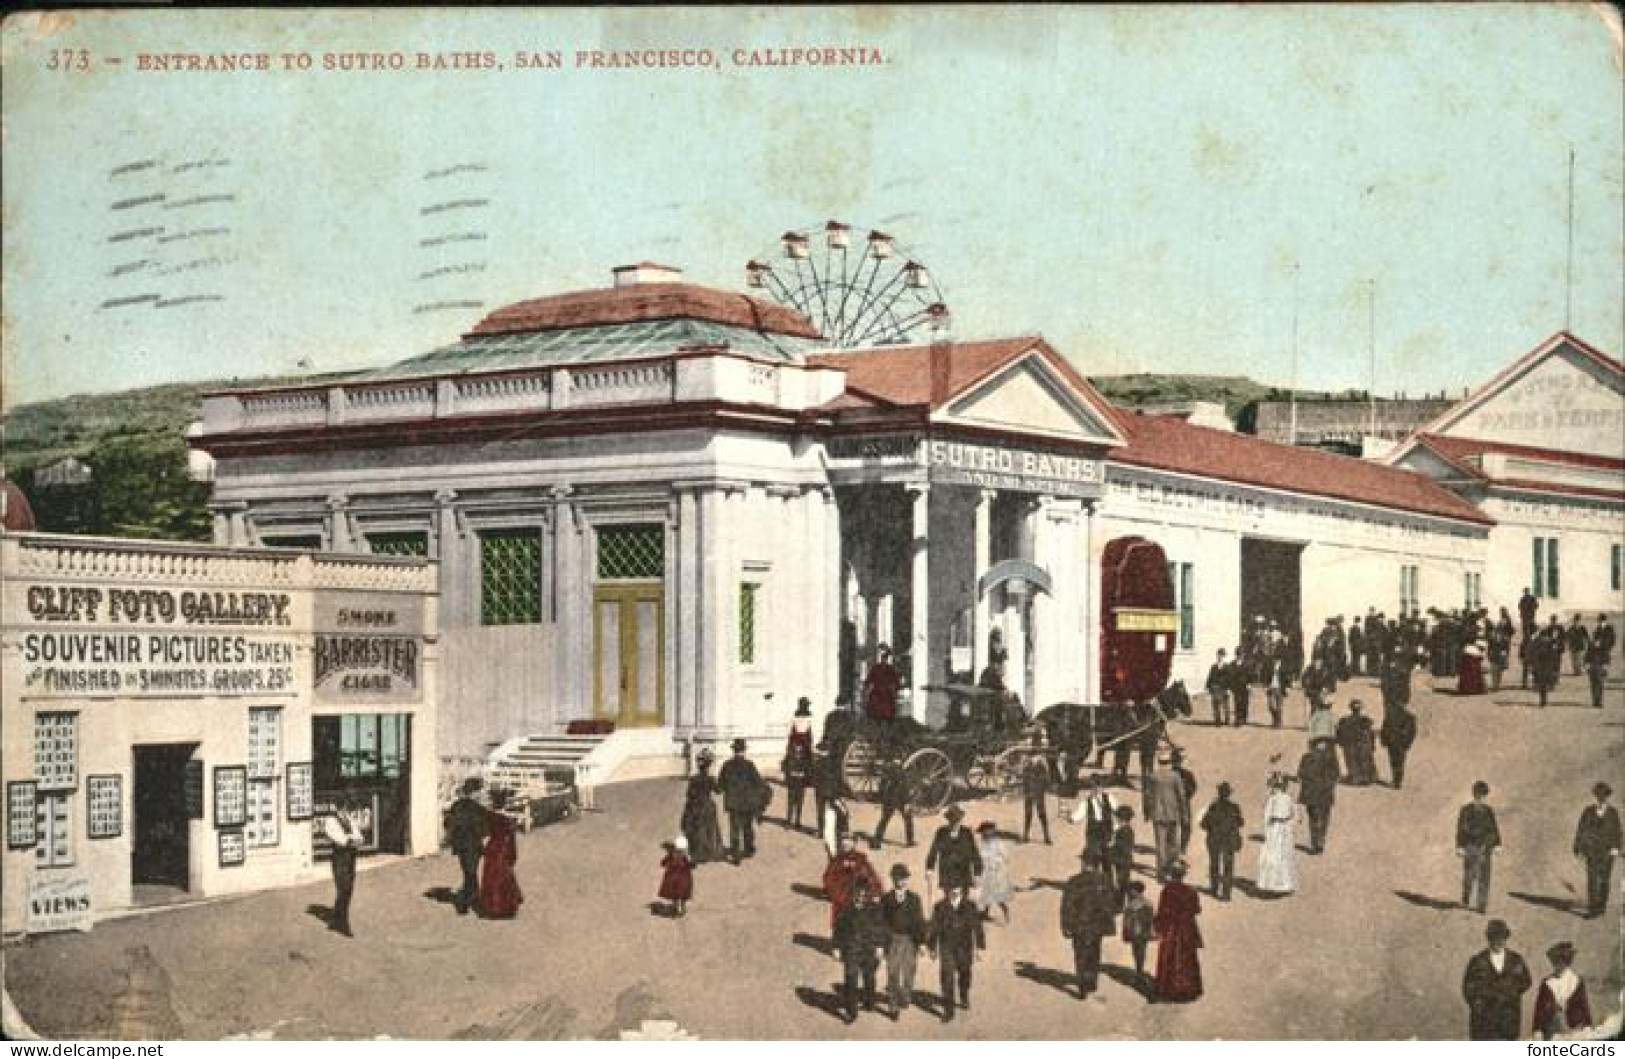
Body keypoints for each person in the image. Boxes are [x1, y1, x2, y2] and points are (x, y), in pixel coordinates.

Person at [1059, 855, 1117, 1000]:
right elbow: (1109, 903)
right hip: (1097, 926)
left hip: (1079, 925)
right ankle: (1091, 981)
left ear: (1084, 864)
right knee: (1094, 952)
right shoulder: (1104, 880)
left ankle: (1082, 985)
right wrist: (1108, 923)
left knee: (1080, 954)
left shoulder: (1074, 881)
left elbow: (1067, 905)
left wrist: (1066, 925)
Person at [1462, 918, 1531, 1040]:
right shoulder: (1478, 961)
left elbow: (1526, 981)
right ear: (1489, 939)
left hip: (1508, 1020)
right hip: (1484, 1022)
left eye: (1503, 938)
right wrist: (1478, 1004)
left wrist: (1511, 992)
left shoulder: (1516, 960)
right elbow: (1468, 988)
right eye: (1496, 938)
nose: (1500, 942)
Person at [927, 884, 985, 1021]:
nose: (954, 889)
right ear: (946, 889)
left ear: (962, 889)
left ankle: (964, 994)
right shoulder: (939, 906)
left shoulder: (970, 906)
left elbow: (977, 927)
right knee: (946, 977)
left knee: (965, 973)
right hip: (946, 946)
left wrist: (980, 948)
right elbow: (934, 928)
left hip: (964, 948)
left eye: (957, 887)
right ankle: (949, 1010)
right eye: (951, 887)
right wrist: (932, 947)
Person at [832, 880, 887, 1023]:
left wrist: (880, 946)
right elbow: (838, 930)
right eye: (857, 894)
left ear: (867, 894)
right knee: (851, 979)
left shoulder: (874, 909)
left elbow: (881, 928)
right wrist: (836, 948)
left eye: (863, 894)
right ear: (853, 894)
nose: (860, 897)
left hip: (869, 950)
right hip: (851, 950)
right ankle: (851, 1012)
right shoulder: (845, 910)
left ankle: (869, 1002)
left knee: (869, 978)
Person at [880, 864, 927, 1017]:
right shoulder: (886, 899)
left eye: (903, 878)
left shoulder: (914, 899)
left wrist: (921, 943)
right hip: (893, 939)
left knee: (909, 971)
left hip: (910, 940)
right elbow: (881, 922)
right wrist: (881, 944)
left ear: (907, 879)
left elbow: (919, 922)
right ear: (892, 879)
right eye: (897, 878)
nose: (901, 882)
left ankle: (906, 994)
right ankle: (893, 1006)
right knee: (892, 972)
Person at [1152, 862, 1204, 1003]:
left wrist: (1157, 927)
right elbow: (1197, 909)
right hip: (1187, 928)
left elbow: (1163, 912)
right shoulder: (1191, 890)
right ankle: (1188, 989)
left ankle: (1170, 989)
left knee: (1170, 957)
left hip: (1172, 929)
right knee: (1187, 958)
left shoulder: (1167, 890)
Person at [1572, 782, 1622, 919]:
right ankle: (1593, 909)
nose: (1601, 798)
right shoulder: (1588, 811)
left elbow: (1617, 832)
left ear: (1607, 796)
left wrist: (1616, 848)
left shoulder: (1613, 813)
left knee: (1605, 880)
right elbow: (1581, 829)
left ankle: (1602, 906)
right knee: (1592, 880)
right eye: (1599, 795)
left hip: (1607, 852)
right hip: (1592, 851)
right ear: (1596, 796)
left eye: (1604, 795)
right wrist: (1578, 848)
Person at [444, 777, 490, 915]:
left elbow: (447, 824)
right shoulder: (478, 808)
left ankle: (467, 900)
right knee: (471, 873)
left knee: (468, 872)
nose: (481, 794)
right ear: (475, 792)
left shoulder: (456, 805)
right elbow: (485, 829)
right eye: (479, 791)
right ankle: (470, 903)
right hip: (474, 844)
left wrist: (453, 837)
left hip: (461, 845)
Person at [717, 738, 766, 863]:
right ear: (744, 751)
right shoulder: (749, 765)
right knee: (747, 826)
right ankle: (748, 850)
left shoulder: (726, 765)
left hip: (733, 803)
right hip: (747, 803)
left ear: (733, 750)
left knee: (734, 828)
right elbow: (758, 783)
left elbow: (720, 785)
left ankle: (735, 854)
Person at [1456, 781, 1501, 914]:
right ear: (1473, 794)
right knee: (1469, 875)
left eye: (1483, 796)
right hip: (1471, 847)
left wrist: (1497, 844)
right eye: (1478, 795)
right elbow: (1460, 830)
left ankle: (1481, 905)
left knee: (1485, 877)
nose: (1480, 798)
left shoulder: (1489, 811)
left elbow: (1494, 828)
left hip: (1485, 848)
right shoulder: (1466, 810)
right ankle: (1466, 898)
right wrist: (1460, 847)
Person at [322, 796, 365, 937]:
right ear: (336, 808)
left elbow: (359, 836)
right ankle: (342, 923)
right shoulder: (331, 821)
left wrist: (354, 838)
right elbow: (339, 839)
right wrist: (351, 839)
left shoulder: (349, 819)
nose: (344, 811)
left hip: (351, 856)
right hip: (339, 857)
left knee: (349, 888)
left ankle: (336, 918)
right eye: (342, 808)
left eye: (345, 808)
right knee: (343, 887)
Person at [823, 831, 883, 930]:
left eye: (848, 841)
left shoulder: (861, 859)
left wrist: (876, 893)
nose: (845, 843)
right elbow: (828, 879)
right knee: (842, 927)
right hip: (842, 900)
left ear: (854, 844)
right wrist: (838, 895)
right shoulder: (836, 861)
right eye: (843, 841)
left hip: (858, 900)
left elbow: (872, 877)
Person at [1532, 941, 1592, 1040]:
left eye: (1560, 962)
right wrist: (1537, 1029)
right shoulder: (1547, 982)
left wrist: (1588, 1025)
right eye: (1554, 962)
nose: (1557, 966)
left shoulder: (1576, 980)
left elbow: (1583, 1004)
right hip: (1552, 1030)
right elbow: (1539, 1008)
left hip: (1574, 1027)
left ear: (1567, 962)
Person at [477, 789, 523, 919]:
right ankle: (505, 908)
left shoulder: (489, 816)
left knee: (491, 878)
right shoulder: (507, 820)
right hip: (503, 850)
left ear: (493, 803)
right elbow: (511, 839)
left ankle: (491, 908)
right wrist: (513, 854)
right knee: (503, 878)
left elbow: (483, 832)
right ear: (504, 803)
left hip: (492, 849)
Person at [925, 804, 982, 898]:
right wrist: (929, 868)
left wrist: (977, 872)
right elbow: (933, 851)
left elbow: (975, 853)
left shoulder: (967, 833)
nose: (955, 823)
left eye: (957, 820)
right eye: (952, 820)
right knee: (949, 901)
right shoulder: (941, 832)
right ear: (948, 820)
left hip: (963, 873)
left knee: (963, 900)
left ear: (961, 820)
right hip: (947, 873)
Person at [1199, 781, 1244, 901]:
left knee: (1214, 864)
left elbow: (1203, 824)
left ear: (1219, 793)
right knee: (1228, 866)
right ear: (1229, 794)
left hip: (1214, 839)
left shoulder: (1213, 806)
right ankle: (1226, 894)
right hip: (1229, 840)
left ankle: (1214, 889)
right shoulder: (1234, 807)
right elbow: (1241, 822)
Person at [681, 749, 727, 865]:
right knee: (710, 829)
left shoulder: (694, 779)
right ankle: (710, 852)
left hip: (695, 806)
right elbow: (718, 791)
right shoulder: (711, 779)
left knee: (697, 830)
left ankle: (698, 854)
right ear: (708, 766)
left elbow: (689, 794)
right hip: (707, 805)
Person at [1147, 754, 1188, 880]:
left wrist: (1148, 812)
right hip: (1172, 814)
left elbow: (1148, 795)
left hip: (1158, 814)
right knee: (1172, 844)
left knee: (1160, 845)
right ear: (1169, 762)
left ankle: (1161, 874)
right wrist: (1184, 814)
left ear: (1159, 761)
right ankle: (1172, 871)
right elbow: (1181, 797)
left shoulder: (1153, 776)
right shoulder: (1175, 776)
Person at [1256, 773, 1298, 896]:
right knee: (1284, 856)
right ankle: (1285, 885)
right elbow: (1295, 815)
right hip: (1285, 829)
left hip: (1275, 829)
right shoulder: (1288, 798)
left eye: (1274, 787)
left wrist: (1267, 830)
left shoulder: (1272, 799)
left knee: (1274, 855)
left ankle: (1272, 885)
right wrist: (1289, 825)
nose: (1272, 789)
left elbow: (1266, 816)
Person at [1296, 738, 1339, 855]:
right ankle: (1320, 842)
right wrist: (1328, 785)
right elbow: (1336, 775)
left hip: (1311, 794)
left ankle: (1316, 843)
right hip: (1325, 794)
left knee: (1314, 819)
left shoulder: (1306, 758)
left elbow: (1300, 774)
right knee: (1324, 819)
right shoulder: (1330, 759)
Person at [1071, 777, 1118, 873]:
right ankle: (1095, 881)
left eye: (1099, 787)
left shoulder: (1109, 798)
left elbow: (1117, 813)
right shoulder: (1086, 801)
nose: (1097, 790)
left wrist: (1115, 829)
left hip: (1107, 830)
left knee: (1107, 858)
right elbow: (1078, 815)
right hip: (1093, 831)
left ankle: (1108, 883)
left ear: (1102, 788)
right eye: (1094, 787)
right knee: (1093, 857)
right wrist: (1070, 818)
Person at [872, 756, 914, 850]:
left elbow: (881, 787)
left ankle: (876, 842)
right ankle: (910, 841)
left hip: (888, 800)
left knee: (884, 820)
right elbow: (904, 787)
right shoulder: (901, 771)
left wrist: (882, 799)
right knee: (908, 820)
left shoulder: (886, 771)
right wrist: (907, 802)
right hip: (900, 799)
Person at [974, 822, 1012, 924]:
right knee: (986, 894)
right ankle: (985, 913)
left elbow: (1006, 857)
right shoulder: (981, 844)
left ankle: (1006, 912)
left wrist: (996, 863)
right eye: (982, 833)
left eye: (985, 832)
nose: (983, 835)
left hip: (996, 873)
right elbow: (978, 857)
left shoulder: (998, 843)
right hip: (985, 872)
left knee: (997, 896)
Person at [1335, 701, 1377, 786]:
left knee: (1351, 760)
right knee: (1365, 759)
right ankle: (1366, 778)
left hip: (1351, 745)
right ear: (1360, 709)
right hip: (1363, 745)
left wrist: (1341, 742)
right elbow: (1371, 734)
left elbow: (1339, 733)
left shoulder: (1345, 720)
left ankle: (1355, 777)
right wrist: (1372, 745)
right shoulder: (1366, 720)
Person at [1121, 881, 1155, 985]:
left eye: (1132, 890)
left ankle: (1139, 972)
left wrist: (1127, 932)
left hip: (1137, 932)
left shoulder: (1132, 905)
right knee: (1140, 952)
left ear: (1136, 891)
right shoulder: (1148, 903)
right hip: (1143, 932)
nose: (1130, 893)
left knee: (1138, 952)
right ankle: (1139, 970)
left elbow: (1127, 921)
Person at [1021, 734, 1052, 844]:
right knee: (1030, 813)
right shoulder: (1028, 759)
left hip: (1036, 789)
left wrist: (1044, 784)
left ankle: (1046, 836)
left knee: (1040, 813)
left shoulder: (1040, 759)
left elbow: (1046, 775)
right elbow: (1024, 775)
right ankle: (1026, 835)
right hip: (1032, 788)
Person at [1378, 702, 1417, 789]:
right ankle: (1396, 779)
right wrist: (1384, 740)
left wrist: (1407, 743)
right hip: (1393, 743)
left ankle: (1397, 781)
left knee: (1398, 762)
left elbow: (1412, 733)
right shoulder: (1392, 716)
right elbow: (1384, 729)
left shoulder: (1409, 717)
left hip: (1399, 744)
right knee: (1395, 762)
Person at [863, 645, 901, 722]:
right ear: (880, 657)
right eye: (882, 657)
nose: (884, 659)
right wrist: (866, 693)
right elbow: (868, 682)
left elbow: (897, 683)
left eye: (885, 657)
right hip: (876, 695)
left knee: (887, 717)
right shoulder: (875, 668)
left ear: (887, 658)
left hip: (887, 696)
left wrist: (894, 691)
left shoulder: (891, 669)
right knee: (875, 716)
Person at [1171, 748, 1198, 854]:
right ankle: (1174, 847)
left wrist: (1186, 795)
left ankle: (1183, 847)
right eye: (1175, 761)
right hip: (1173, 803)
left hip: (1183, 803)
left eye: (1178, 761)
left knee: (1186, 826)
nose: (1177, 763)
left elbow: (1193, 787)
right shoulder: (1169, 775)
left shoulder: (1187, 774)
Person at [658, 836, 693, 917]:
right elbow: (691, 865)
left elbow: (663, 863)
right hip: (682, 878)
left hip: (676, 878)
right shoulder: (682, 856)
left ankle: (678, 908)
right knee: (680, 894)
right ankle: (680, 909)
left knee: (677, 894)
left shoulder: (674, 856)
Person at [1108, 805, 1136, 907]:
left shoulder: (1123, 831)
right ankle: (1125, 902)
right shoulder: (1128, 830)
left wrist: (1111, 846)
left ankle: (1119, 905)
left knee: (1121, 883)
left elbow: (1121, 847)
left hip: (1121, 860)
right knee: (1124, 882)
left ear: (1121, 819)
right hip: (1126, 859)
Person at [1531, 619, 1563, 708]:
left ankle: (1543, 701)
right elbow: (1554, 655)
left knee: (1543, 685)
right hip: (1546, 667)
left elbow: (1534, 655)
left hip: (1542, 667)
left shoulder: (1538, 643)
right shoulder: (1550, 643)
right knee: (1544, 685)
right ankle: (1543, 701)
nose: (1545, 639)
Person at [782, 739, 812, 832]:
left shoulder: (805, 758)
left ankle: (797, 822)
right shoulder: (789, 757)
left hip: (801, 784)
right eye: (796, 746)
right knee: (790, 803)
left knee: (799, 804)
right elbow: (784, 767)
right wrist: (790, 773)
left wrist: (804, 774)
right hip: (792, 784)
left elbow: (808, 769)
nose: (798, 748)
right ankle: (788, 822)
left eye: (800, 746)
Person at [1583, 634, 1609, 710]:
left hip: (1600, 669)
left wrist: (1605, 666)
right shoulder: (1590, 649)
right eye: (1595, 641)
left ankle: (1599, 701)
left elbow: (1607, 659)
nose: (1596, 643)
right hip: (1592, 669)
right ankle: (1594, 700)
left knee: (1600, 685)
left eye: (1598, 641)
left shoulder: (1603, 650)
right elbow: (1586, 658)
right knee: (1593, 685)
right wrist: (1586, 665)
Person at [1205, 648, 1231, 726]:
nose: (1220, 657)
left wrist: (1229, 688)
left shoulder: (1227, 667)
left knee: (1225, 705)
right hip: (1215, 687)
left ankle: (1227, 720)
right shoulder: (1214, 667)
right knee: (1215, 705)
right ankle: (1217, 720)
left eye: (1222, 655)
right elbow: (1210, 677)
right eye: (1219, 655)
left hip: (1224, 688)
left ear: (1224, 656)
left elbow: (1230, 678)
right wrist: (1208, 687)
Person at [1227, 647, 1252, 727]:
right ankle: (1238, 719)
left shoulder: (1247, 664)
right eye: (1238, 654)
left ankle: (1243, 718)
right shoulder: (1232, 664)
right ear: (1236, 655)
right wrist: (1230, 686)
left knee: (1244, 702)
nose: (1240, 656)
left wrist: (1249, 683)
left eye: (1241, 654)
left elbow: (1250, 675)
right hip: (1236, 686)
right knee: (1237, 702)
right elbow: (1230, 675)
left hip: (1245, 686)